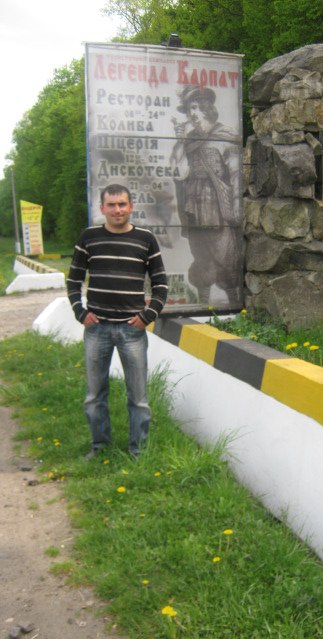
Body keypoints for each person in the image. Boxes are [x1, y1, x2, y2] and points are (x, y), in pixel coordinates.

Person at [67, 184, 168, 459]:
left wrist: (147, 316)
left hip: (131, 330)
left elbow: (161, 284)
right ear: (102, 208)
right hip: (96, 328)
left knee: (138, 398)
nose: (117, 210)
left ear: (131, 206)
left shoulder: (146, 239)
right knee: (94, 395)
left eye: (122, 204)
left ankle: (138, 451)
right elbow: (73, 280)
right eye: (111, 205)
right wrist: (80, 312)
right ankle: (99, 447)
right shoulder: (89, 238)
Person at [170, 85, 243, 306]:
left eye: (195, 107)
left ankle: (234, 304)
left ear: (206, 107)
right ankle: (203, 305)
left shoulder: (226, 135)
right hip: (194, 206)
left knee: (225, 256)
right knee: (200, 256)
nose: (191, 114)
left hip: (218, 207)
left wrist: (237, 206)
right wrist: (181, 143)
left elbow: (236, 174)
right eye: (188, 109)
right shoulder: (189, 139)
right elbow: (179, 172)